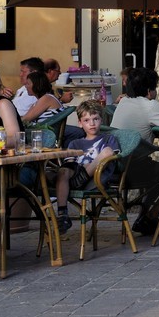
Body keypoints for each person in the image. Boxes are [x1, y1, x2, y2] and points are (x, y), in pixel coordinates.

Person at [105, 67, 159, 237]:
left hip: (112, 167)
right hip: (131, 169)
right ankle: (148, 218)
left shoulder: (124, 103)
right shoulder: (150, 106)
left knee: (155, 171)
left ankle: (145, 217)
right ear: (150, 91)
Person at [54, 99, 121, 232]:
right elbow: (70, 165)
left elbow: (112, 158)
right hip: (75, 177)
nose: (92, 123)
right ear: (80, 123)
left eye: (95, 119)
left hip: (96, 179)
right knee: (63, 170)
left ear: (101, 120)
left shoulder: (108, 139)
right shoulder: (75, 143)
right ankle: (63, 215)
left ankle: (83, 176)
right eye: (86, 120)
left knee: (107, 151)